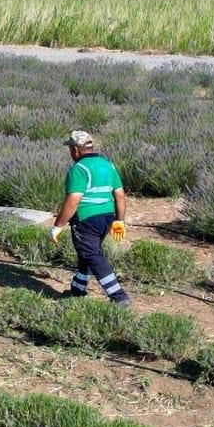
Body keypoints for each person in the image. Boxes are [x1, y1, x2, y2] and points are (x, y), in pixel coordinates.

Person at [48, 130, 130, 305]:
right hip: (107, 218)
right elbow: (120, 195)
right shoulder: (108, 165)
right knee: (86, 253)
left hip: (86, 220)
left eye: (71, 148)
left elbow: (73, 200)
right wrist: (119, 220)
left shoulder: (78, 169)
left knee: (91, 254)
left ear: (76, 150)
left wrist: (57, 226)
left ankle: (118, 296)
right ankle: (77, 290)